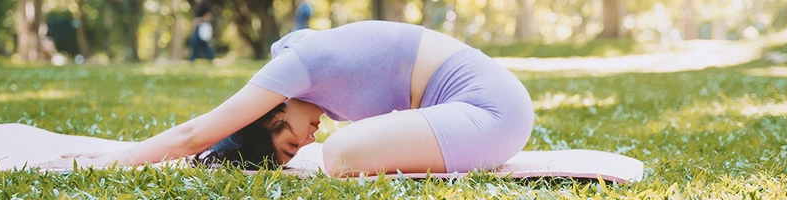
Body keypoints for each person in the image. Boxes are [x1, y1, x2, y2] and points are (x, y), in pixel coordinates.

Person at [39, 10, 534, 176]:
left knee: (339, 154)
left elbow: (194, 135)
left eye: (290, 143)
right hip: (484, 116)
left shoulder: (297, 67)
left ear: (267, 113)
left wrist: (108, 161)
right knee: (343, 148)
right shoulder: (310, 75)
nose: (308, 136)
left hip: (491, 112)